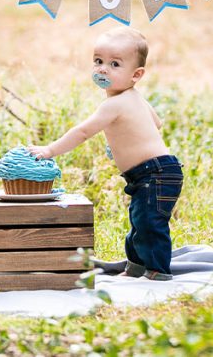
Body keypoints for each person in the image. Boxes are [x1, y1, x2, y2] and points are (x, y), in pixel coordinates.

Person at [28, 26, 183, 280]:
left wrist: (50, 150)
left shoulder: (113, 104)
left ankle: (157, 272)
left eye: (114, 64)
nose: (102, 69)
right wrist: (123, 142)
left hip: (155, 173)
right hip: (153, 172)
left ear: (136, 74)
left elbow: (83, 132)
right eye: (98, 61)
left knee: (149, 224)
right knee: (139, 220)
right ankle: (135, 267)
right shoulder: (135, 97)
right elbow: (155, 123)